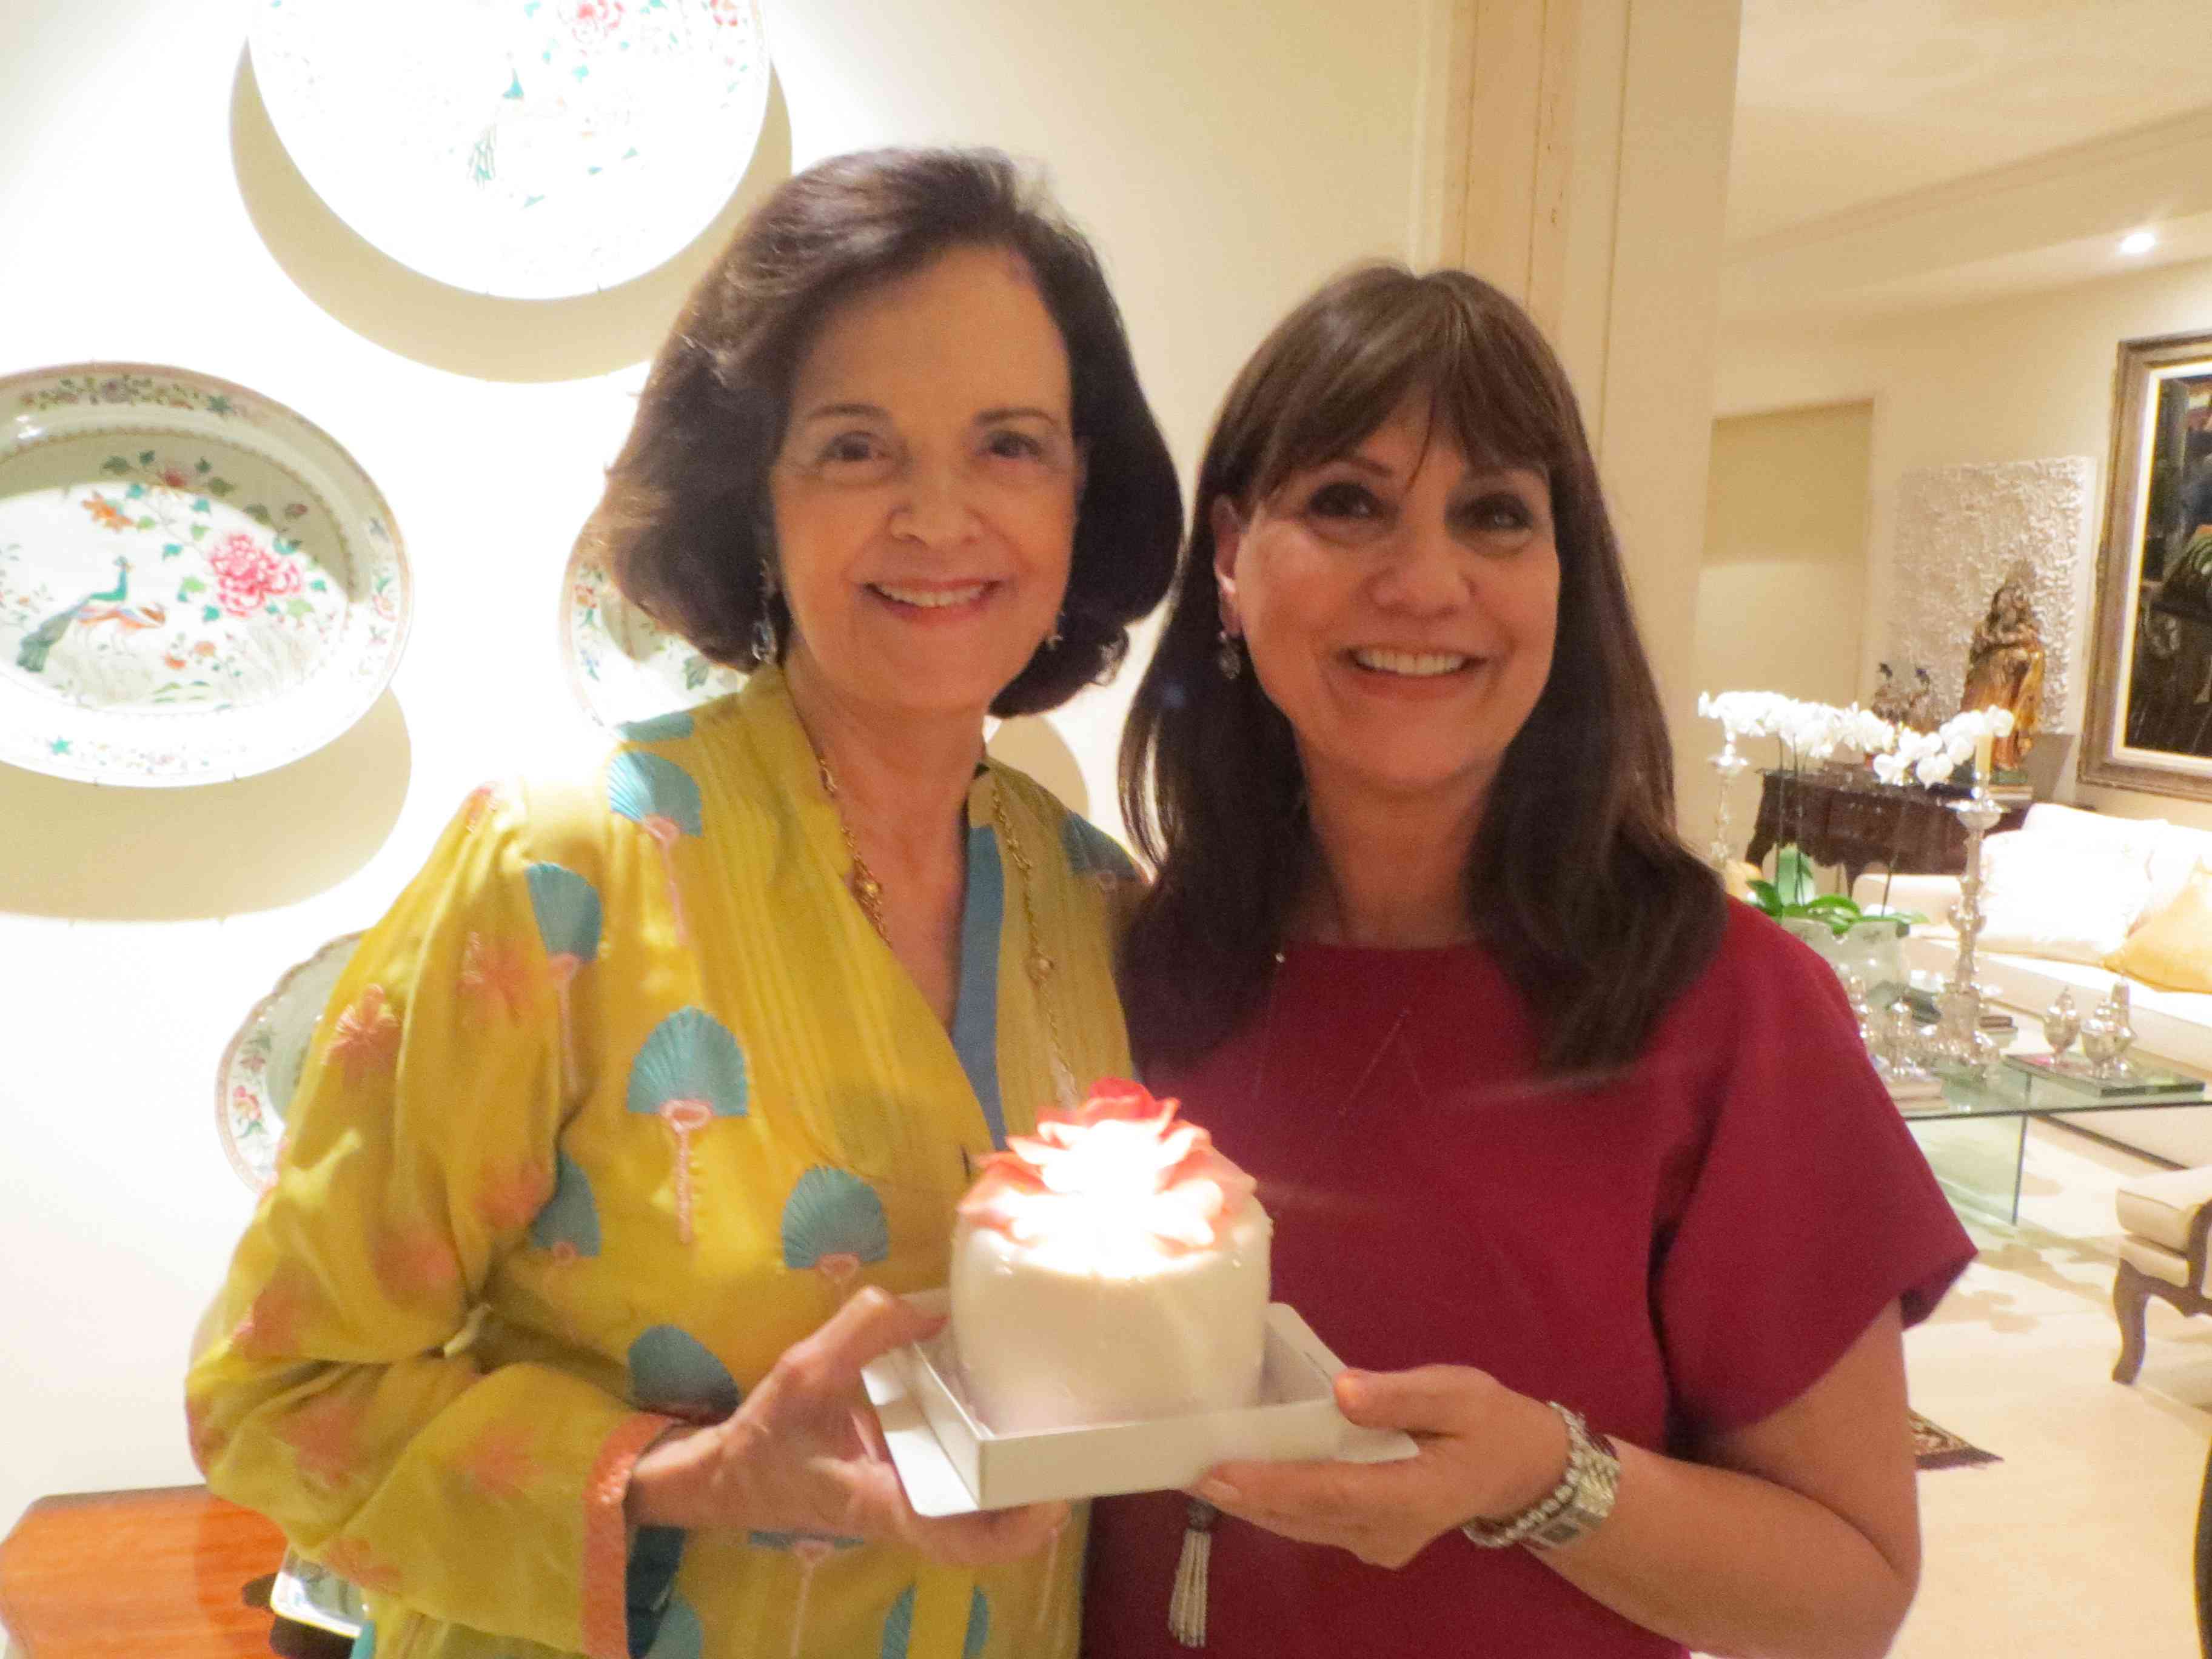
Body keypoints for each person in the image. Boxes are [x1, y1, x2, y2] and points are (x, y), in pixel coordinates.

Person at [185, 148, 1182, 1659]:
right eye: (855, 447)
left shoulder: (1098, 907)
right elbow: (278, 1397)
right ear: (755, 497)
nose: (938, 516)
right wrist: (683, 1480)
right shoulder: (557, 875)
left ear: (1083, 490)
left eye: (1010, 445)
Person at [1087, 264, 1974, 1659]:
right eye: (1348, 503)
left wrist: (1543, 1480)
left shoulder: (1728, 1010)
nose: (1424, 582)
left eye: (1495, 514)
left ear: (1565, 580)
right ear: (1232, 564)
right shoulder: (1119, 969)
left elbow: (1847, 1593)